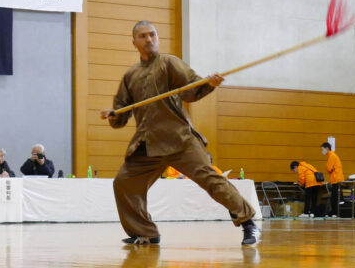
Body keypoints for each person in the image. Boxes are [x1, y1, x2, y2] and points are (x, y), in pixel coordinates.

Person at [100, 20, 259, 246]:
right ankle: (145, 232)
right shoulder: (131, 75)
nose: (149, 40)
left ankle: (249, 223)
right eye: (143, 36)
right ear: (134, 42)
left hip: (180, 140)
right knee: (124, 183)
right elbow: (121, 114)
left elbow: (192, 89)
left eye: (152, 35)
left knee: (211, 180)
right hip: (147, 145)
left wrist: (208, 83)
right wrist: (113, 115)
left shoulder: (168, 63)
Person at [321, 142, 343, 217]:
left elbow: (328, 168)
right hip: (336, 179)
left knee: (335, 197)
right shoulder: (332, 156)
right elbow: (330, 168)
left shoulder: (332, 156)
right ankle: (333, 212)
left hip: (336, 179)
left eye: (323, 149)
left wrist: (330, 168)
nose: (322, 151)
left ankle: (334, 212)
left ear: (327, 148)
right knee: (335, 197)